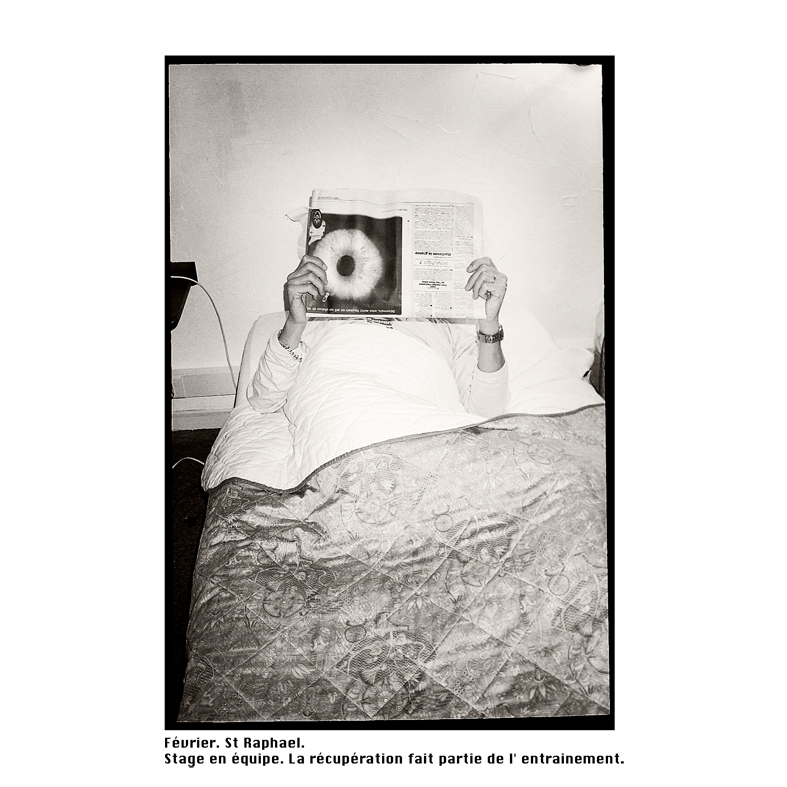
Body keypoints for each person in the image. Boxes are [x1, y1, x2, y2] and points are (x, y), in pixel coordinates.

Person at [247, 254, 510, 420]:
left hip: (418, 415)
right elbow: (264, 399)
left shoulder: (448, 331)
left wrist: (489, 323)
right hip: (339, 409)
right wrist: (295, 323)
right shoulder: (320, 319)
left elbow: (488, 413)